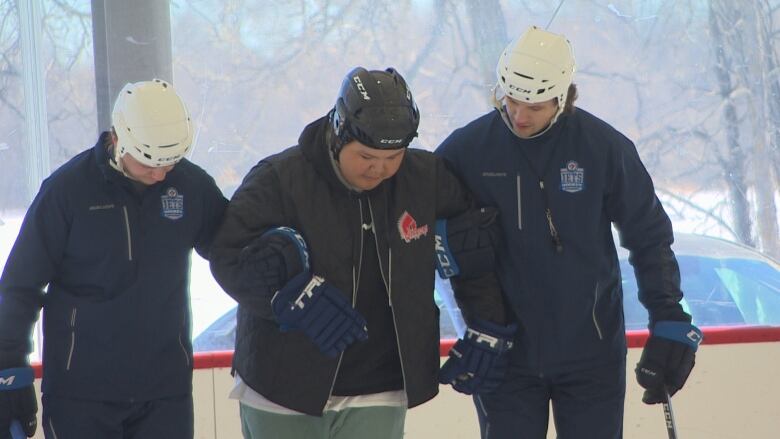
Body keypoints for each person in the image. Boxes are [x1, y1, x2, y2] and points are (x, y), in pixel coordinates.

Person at [209, 66, 516, 439]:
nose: (380, 169)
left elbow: (472, 251)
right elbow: (227, 254)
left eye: (393, 157)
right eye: (367, 156)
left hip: (381, 385)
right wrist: (285, 296)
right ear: (340, 134)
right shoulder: (279, 178)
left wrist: (486, 324)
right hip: (283, 385)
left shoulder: (426, 179)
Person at [435, 26, 703, 438]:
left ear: (562, 98)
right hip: (505, 353)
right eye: (511, 101)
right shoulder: (465, 152)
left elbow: (649, 235)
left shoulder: (603, 148)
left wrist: (668, 315)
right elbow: (424, 233)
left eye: (535, 105)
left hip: (591, 353)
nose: (520, 116)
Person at [0, 79, 227, 439]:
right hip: (82, 395)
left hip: (164, 393)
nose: (160, 174)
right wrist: (8, 368)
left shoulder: (189, 187)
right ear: (118, 139)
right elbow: (19, 286)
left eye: (169, 163)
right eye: (149, 163)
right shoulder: (67, 192)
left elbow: (234, 249)